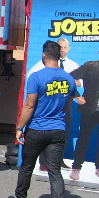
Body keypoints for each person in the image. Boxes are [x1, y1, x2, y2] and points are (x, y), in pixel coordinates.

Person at [7, 40, 77, 198]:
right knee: (55, 171)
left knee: (27, 167)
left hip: (37, 129)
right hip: (58, 130)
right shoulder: (69, 79)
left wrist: (20, 128)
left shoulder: (37, 77)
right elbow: (67, 105)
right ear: (60, 56)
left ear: (44, 55)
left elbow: (29, 106)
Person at [27, 38, 81, 170]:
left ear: (69, 49)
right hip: (46, 104)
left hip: (64, 104)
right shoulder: (42, 64)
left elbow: (80, 82)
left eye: (65, 47)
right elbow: (30, 76)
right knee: (43, 132)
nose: (62, 50)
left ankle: (58, 160)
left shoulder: (73, 65)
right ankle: (43, 163)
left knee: (63, 134)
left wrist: (66, 80)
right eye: (60, 47)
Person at [69, 41, 99, 180]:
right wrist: (77, 96)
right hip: (90, 111)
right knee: (83, 139)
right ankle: (76, 167)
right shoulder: (90, 66)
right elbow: (69, 77)